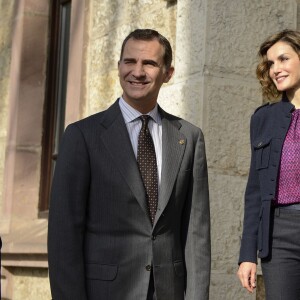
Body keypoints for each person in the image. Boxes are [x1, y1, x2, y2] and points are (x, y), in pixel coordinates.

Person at [48, 28, 211, 300]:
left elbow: (196, 234)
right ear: (119, 66)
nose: (137, 72)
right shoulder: (82, 136)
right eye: (129, 61)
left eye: (149, 63)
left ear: (168, 73)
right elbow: (64, 236)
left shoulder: (189, 138)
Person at [237, 29, 300, 300]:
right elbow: (254, 192)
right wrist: (247, 255)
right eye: (271, 63)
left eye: (284, 59)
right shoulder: (263, 119)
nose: (276, 69)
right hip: (279, 235)